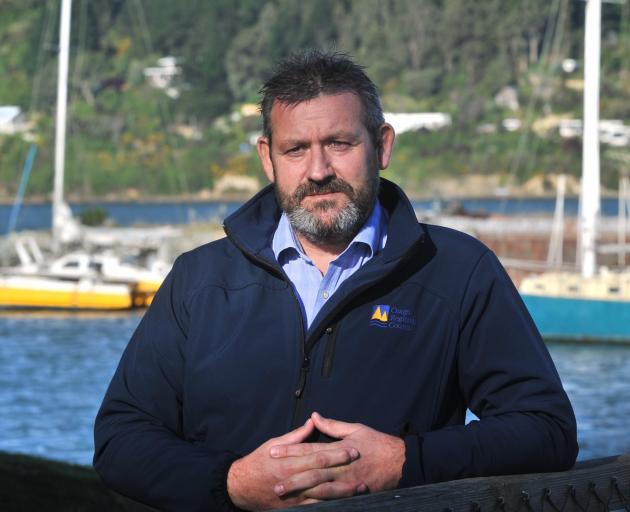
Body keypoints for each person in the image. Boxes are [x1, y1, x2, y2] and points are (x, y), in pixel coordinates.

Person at [94, 50, 578, 511]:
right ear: (268, 158)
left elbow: (546, 431)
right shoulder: (200, 279)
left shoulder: (458, 270)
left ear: (382, 145)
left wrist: (406, 462)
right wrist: (231, 483)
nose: (318, 170)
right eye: (296, 149)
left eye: (339, 144)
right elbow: (122, 440)